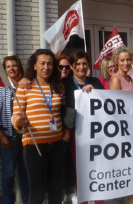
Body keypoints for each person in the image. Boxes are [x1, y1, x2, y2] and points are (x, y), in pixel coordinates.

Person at [11, 49, 69, 204]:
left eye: (50, 63)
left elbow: (63, 113)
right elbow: (15, 115)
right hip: (34, 146)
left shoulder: (59, 88)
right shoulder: (25, 87)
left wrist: (64, 137)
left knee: (56, 190)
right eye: (42, 63)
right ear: (35, 65)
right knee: (37, 193)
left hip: (57, 145)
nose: (46, 67)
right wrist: (19, 122)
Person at [62, 50, 104, 204]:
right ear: (72, 66)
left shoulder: (96, 82)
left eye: (84, 63)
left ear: (88, 66)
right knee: (80, 168)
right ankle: (83, 200)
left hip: (96, 133)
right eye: (77, 64)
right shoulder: (65, 83)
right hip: (75, 134)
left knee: (98, 166)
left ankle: (99, 200)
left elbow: (106, 103)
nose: (81, 67)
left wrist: (95, 92)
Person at [110, 46, 133, 204]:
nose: (126, 63)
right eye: (122, 60)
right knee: (129, 164)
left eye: (128, 59)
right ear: (117, 61)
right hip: (124, 129)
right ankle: (132, 199)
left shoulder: (131, 78)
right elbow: (114, 107)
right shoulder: (116, 79)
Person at [0, 55, 29, 204]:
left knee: (26, 173)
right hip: (9, 138)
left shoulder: (26, 86)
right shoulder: (2, 87)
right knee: (9, 174)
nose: (11, 68)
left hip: (25, 137)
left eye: (14, 65)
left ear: (19, 67)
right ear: (5, 70)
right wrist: (2, 136)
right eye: (8, 67)